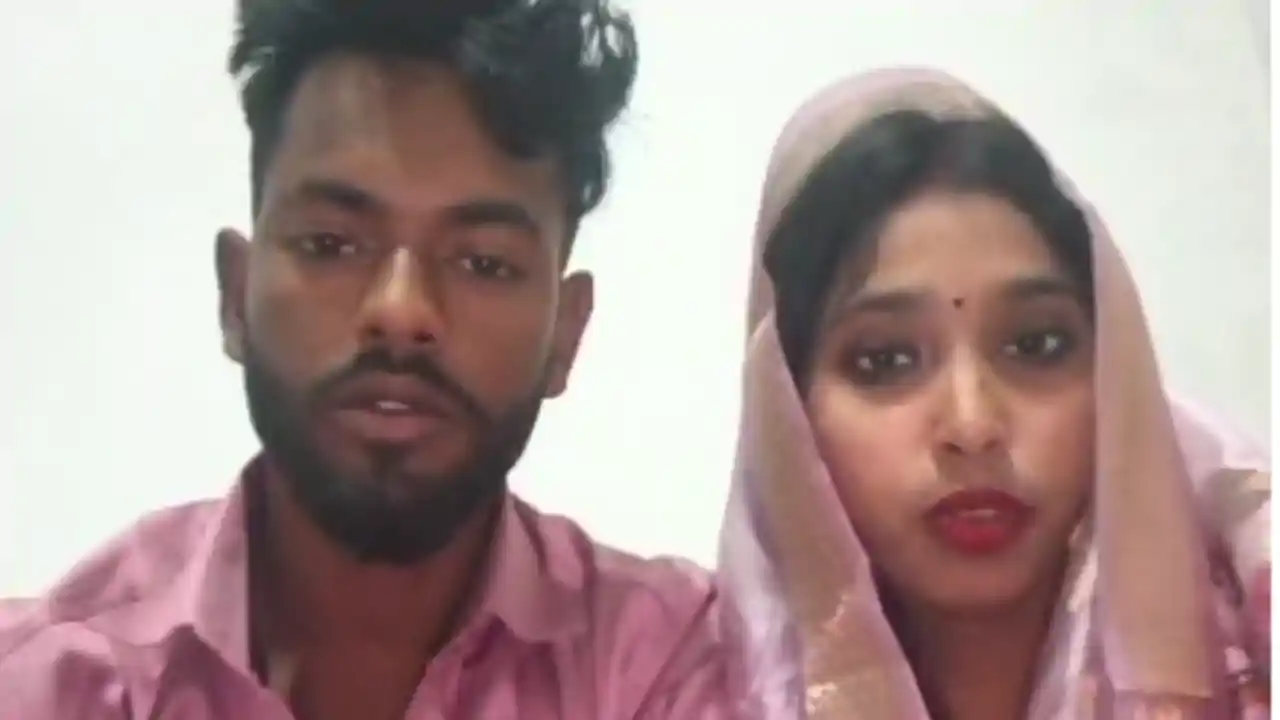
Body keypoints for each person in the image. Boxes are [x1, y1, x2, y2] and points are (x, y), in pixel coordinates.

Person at [0, 1, 723, 717]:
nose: (401, 311)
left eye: (483, 262)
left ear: (566, 334)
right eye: (331, 244)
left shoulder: (674, 670)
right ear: (236, 295)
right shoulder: (48, 683)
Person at [717, 68, 1270, 719]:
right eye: (885, 360)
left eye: (1036, 345)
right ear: (789, 414)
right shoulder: (670, 689)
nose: (973, 424)